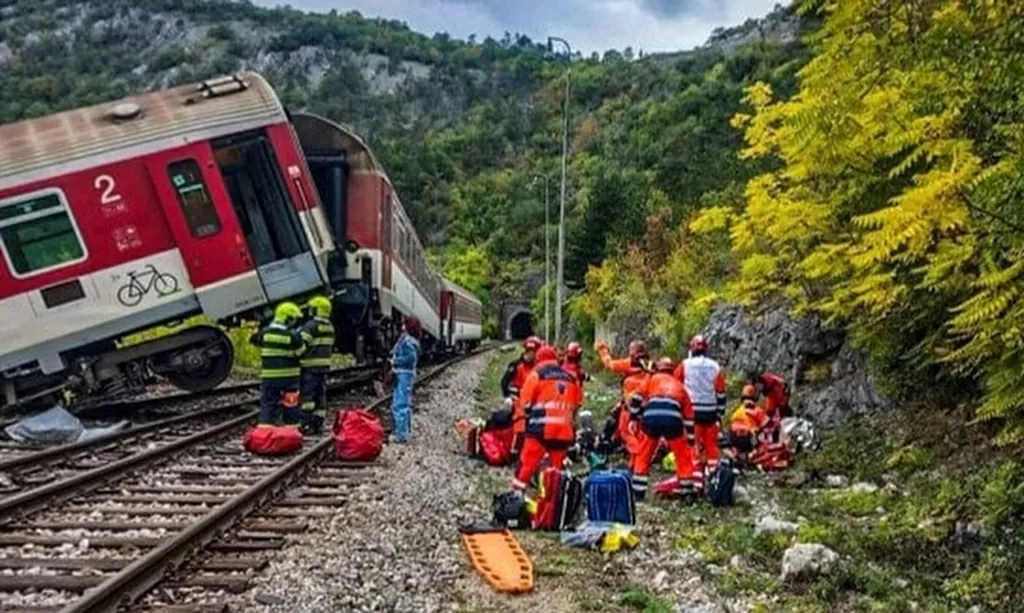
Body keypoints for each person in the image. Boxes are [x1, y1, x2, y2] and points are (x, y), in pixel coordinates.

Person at [510, 346, 583, 492]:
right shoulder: (571, 378)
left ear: (538, 360)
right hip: (563, 432)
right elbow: (577, 403)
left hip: (540, 430)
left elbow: (525, 403)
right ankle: (551, 500)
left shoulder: (536, 375)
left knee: (526, 465)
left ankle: (516, 494)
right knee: (555, 472)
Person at [632, 357, 698, 501]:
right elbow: (689, 417)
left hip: (651, 417)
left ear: (659, 368)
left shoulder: (652, 379)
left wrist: (634, 418)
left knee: (643, 455)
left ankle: (638, 493)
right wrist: (691, 440)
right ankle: (687, 492)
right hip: (673, 420)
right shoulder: (679, 386)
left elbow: (636, 397)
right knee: (682, 456)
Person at [673, 334, 726, 484]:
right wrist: (720, 412)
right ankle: (714, 477)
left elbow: (675, 385)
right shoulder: (715, 366)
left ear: (692, 349)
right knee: (711, 446)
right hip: (710, 412)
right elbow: (721, 392)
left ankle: (696, 479)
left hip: (692, 411)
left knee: (694, 444)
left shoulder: (685, 365)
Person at [596, 339, 653, 472]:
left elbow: (609, 364)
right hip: (645, 406)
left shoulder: (630, 363)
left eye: (631, 350)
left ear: (634, 352)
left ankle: (639, 457)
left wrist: (602, 350)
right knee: (638, 434)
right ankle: (636, 462)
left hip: (630, 406)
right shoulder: (650, 365)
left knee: (626, 432)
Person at [250, 302, 306, 426]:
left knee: (268, 404)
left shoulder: (265, 333)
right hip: (290, 378)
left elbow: (255, 340)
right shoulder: (293, 336)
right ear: (288, 319)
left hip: (269, 377)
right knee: (291, 405)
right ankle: (291, 430)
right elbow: (301, 352)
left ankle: (264, 430)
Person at [298, 296, 335, 435]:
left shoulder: (311, 326)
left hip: (310, 366)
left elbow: (302, 345)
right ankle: (318, 423)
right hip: (324, 366)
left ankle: (307, 423)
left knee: (307, 396)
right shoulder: (330, 327)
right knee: (320, 395)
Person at [501, 336, 542, 457]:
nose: (531, 355)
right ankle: (516, 447)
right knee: (520, 417)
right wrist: (507, 396)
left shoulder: (539, 367)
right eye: (529, 352)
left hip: (534, 400)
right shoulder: (516, 365)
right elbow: (504, 382)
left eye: (534, 352)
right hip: (519, 399)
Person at [389, 315, 421, 443]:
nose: (402, 326)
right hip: (406, 374)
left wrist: (395, 361)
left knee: (399, 404)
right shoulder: (410, 340)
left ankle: (401, 435)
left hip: (403, 374)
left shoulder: (407, 341)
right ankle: (406, 431)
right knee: (404, 403)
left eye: (404, 324)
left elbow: (410, 358)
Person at [728, 384, 770, 464]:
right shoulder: (757, 410)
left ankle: (737, 456)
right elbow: (766, 424)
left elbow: (732, 425)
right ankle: (753, 457)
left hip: (734, 439)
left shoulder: (737, 411)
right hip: (749, 439)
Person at [749, 370, 791, 440]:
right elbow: (757, 396)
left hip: (779, 390)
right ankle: (770, 428)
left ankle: (783, 426)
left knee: (782, 408)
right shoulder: (758, 386)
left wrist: (785, 393)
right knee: (769, 412)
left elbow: (782, 381)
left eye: (758, 386)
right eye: (757, 386)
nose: (758, 388)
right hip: (771, 395)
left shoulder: (767, 377)